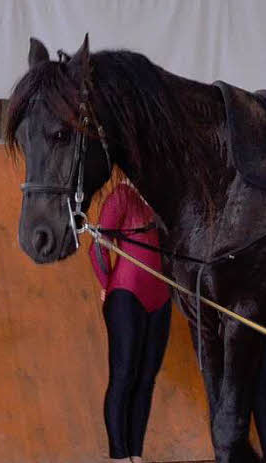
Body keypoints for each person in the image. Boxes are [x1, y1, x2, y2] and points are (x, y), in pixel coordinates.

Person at [89, 179, 172, 463]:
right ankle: (119, 455)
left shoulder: (163, 196)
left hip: (161, 299)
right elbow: (98, 247)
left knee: (147, 378)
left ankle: (136, 453)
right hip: (126, 295)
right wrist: (107, 283)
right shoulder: (122, 196)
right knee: (124, 376)